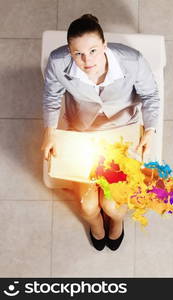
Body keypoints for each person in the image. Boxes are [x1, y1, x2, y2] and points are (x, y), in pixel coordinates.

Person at [40, 14, 160, 251]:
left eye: (93, 50)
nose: (87, 60)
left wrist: (150, 129)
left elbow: (150, 96)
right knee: (87, 206)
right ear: (69, 51)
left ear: (105, 46)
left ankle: (116, 221)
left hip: (122, 131)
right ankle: (96, 223)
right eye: (78, 54)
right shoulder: (57, 62)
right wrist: (50, 131)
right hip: (82, 131)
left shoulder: (132, 61)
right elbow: (51, 97)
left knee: (113, 205)